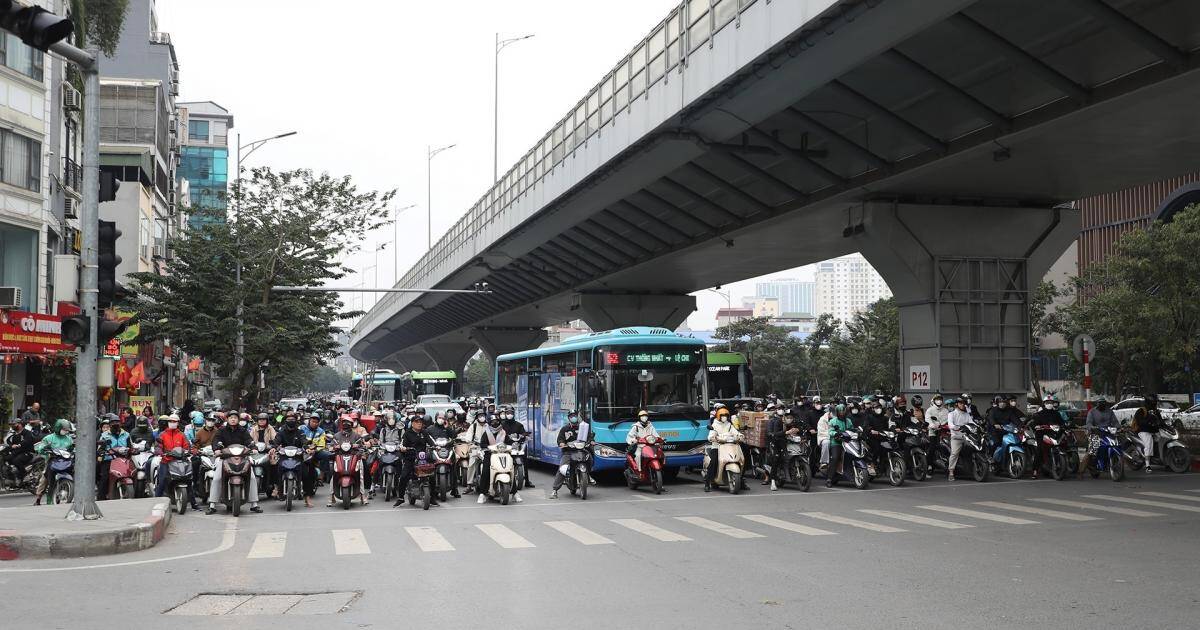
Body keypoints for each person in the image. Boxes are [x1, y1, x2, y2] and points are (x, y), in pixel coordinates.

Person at [206, 413, 262, 514]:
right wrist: (216, 449)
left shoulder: (242, 430)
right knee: (217, 478)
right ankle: (212, 504)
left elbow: (249, 440)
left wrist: (253, 448)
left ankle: (254, 504)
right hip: (225, 458)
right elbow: (216, 440)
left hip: (242, 458)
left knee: (252, 478)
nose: (233, 420)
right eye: (231, 418)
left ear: (238, 419)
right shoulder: (222, 430)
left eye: (235, 418)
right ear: (227, 419)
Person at [393, 415, 439, 507]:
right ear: (412, 423)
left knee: (432, 475)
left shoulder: (424, 432)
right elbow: (402, 444)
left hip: (423, 458)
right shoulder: (407, 433)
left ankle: (432, 498)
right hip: (411, 458)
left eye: (420, 422)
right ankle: (401, 498)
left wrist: (435, 446)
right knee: (404, 476)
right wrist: (403, 448)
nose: (419, 424)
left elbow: (430, 441)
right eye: (417, 422)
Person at [272, 414, 316, 508]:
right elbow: (276, 441)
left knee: (306, 474)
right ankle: (276, 488)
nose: (291, 421)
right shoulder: (281, 432)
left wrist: (307, 448)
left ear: (296, 421)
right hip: (284, 457)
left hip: (297, 457)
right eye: (288, 419)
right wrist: (275, 447)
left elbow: (304, 441)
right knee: (275, 468)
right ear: (285, 421)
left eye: (293, 419)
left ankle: (307, 498)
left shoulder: (300, 432)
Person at [154, 415, 195, 508]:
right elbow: (158, 446)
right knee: (163, 480)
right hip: (166, 461)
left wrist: (189, 451)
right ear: (168, 423)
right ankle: (155, 501)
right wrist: (161, 452)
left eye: (175, 421)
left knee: (188, 479)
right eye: (171, 421)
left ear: (178, 423)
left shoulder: (181, 434)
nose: (173, 423)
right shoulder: (162, 434)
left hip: (181, 460)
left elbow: (187, 446)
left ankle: (194, 503)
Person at [549, 410, 590, 499]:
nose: (573, 417)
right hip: (568, 452)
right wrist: (561, 443)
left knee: (590, 458)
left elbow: (589, 436)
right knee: (562, 469)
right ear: (569, 418)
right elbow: (560, 439)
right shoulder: (565, 429)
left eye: (575, 415)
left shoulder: (583, 427)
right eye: (571, 416)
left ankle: (589, 476)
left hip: (581, 450)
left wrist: (592, 441)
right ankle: (554, 490)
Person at [327, 419, 367, 507]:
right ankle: (331, 496)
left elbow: (362, 446)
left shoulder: (356, 436)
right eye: (344, 423)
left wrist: (359, 447)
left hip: (354, 457)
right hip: (339, 457)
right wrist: (334, 447)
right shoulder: (337, 435)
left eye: (348, 423)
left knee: (360, 475)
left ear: (351, 425)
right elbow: (331, 445)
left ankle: (362, 496)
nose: (346, 425)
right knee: (334, 475)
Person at [32, 419, 73, 505]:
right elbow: (40, 447)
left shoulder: (69, 439)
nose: (65, 431)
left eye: (67, 430)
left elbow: (72, 448)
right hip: (52, 460)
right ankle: (39, 497)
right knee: (45, 479)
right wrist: (43, 449)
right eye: (64, 429)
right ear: (58, 428)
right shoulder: (49, 438)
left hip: (65, 460)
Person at [704, 407, 744, 492]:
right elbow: (711, 435)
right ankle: (707, 483)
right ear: (718, 416)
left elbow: (735, 432)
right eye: (722, 415)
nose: (724, 417)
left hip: (730, 446)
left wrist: (740, 436)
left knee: (741, 458)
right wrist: (713, 438)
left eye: (726, 415)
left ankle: (742, 481)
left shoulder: (729, 425)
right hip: (717, 447)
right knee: (713, 462)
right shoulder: (714, 425)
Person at [474, 412, 510, 503]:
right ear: (490, 422)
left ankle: (515, 492)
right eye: (493, 421)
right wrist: (487, 448)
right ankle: (482, 493)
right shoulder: (487, 432)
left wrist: (512, 444)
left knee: (510, 468)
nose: (495, 423)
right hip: (490, 455)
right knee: (485, 471)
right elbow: (483, 443)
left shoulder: (503, 432)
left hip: (502, 455)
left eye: (497, 421)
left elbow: (508, 442)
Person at [1079, 397, 1119, 478]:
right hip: (1095, 434)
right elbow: (1089, 423)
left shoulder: (1110, 411)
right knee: (1092, 450)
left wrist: (1119, 427)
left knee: (1117, 445)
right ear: (1097, 404)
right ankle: (1081, 471)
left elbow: (1115, 422)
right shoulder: (1092, 412)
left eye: (1103, 403)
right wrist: (1092, 427)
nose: (1102, 405)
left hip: (1108, 433)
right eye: (1100, 403)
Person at [1027, 394, 1063, 479]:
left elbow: (1062, 422)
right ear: (1044, 404)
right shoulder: (1039, 414)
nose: (1049, 404)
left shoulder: (1056, 413)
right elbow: (1033, 423)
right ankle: (1035, 471)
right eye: (1048, 402)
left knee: (1062, 444)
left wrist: (1064, 426)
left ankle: (1062, 465)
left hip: (1053, 433)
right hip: (1041, 434)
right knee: (1039, 450)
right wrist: (1036, 426)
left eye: (1051, 402)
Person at [625, 410, 663, 486]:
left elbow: (656, 435)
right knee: (638, 455)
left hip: (650, 446)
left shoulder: (651, 426)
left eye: (645, 416)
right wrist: (633, 440)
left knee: (660, 453)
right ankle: (639, 471)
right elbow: (629, 437)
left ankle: (658, 476)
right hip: (640, 446)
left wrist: (660, 439)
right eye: (642, 416)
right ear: (639, 418)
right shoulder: (636, 427)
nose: (644, 418)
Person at [98, 416, 130, 500]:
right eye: (113, 422)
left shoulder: (126, 434)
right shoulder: (104, 435)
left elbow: (131, 447)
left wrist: (134, 450)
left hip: (123, 460)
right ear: (110, 424)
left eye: (117, 422)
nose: (115, 424)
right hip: (109, 459)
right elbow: (100, 448)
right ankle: (101, 499)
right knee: (105, 478)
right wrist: (103, 451)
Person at [500, 407, 533, 488]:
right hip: (505, 447)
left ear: (514, 414)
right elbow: (498, 435)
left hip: (517, 446)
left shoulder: (519, 425)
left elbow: (523, 433)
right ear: (505, 414)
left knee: (525, 459)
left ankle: (527, 481)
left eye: (511, 413)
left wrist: (523, 436)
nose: (509, 415)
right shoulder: (502, 425)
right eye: (508, 413)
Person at [1132, 394, 1163, 474]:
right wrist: (1149, 422)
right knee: (1148, 444)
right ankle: (1148, 466)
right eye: (1154, 402)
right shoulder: (1141, 410)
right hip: (1143, 431)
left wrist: (1168, 426)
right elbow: (1140, 422)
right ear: (1150, 402)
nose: (1155, 404)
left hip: (1154, 431)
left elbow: (1161, 421)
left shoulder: (1156, 411)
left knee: (1162, 438)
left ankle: (1158, 457)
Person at [947, 396, 974, 481]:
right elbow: (950, 424)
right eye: (960, 403)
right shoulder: (951, 414)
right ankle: (951, 472)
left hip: (967, 437)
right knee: (954, 453)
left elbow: (972, 423)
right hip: (956, 437)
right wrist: (956, 427)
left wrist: (977, 426)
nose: (962, 405)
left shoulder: (967, 415)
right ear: (957, 404)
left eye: (964, 403)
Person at [251, 413, 277, 499]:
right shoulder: (254, 429)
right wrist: (251, 446)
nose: (261, 421)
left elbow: (275, 439)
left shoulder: (270, 428)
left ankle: (273, 484)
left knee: (274, 463)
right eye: (260, 420)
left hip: (267, 451)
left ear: (267, 421)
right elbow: (249, 439)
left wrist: (272, 447)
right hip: (255, 452)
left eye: (263, 420)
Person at [4, 418, 37, 485]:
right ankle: (11, 477)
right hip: (18, 452)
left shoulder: (27, 432)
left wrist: (19, 445)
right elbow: (9, 442)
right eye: (12, 425)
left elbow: (27, 441)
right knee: (6, 458)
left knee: (16, 460)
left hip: (27, 452)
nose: (12, 426)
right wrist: (10, 446)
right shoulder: (14, 434)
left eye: (14, 424)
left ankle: (24, 475)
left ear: (20, 424)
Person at [826, 404, 852, 488]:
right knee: (835, 457)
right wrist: (836, 433)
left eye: (843, 410)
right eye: (840, 411)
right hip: (837, 442)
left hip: (848, 442)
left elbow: (852, 429)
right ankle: (829, 479)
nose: (842, 412)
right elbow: (830, 431)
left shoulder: (848, 421)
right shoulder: (833, 421)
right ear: (837, 412)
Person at [302, 413, 330, 483]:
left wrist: (314, 450)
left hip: (315, 451)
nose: (314, 423)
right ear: (309, 421)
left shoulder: (321, 431)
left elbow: (322, 445)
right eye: (313, 421)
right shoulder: (302, 428)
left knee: (326, 455)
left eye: (316, 422)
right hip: (302, 451)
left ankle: (321, 477)